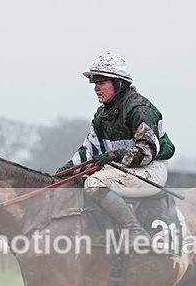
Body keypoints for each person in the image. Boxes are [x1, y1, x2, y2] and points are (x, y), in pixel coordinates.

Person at [57, 53, 175, 242]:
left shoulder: (139, 110)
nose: (96, 88)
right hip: (124, 168)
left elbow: (146, 153)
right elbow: (89, 150)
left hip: (150, 170)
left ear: (119, 83)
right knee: (76, 181)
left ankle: (135, 232)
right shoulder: (102, 114)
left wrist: (113, 155)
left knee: (94, 184)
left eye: (101, 82)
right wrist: (61, 174)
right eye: (94, 83)